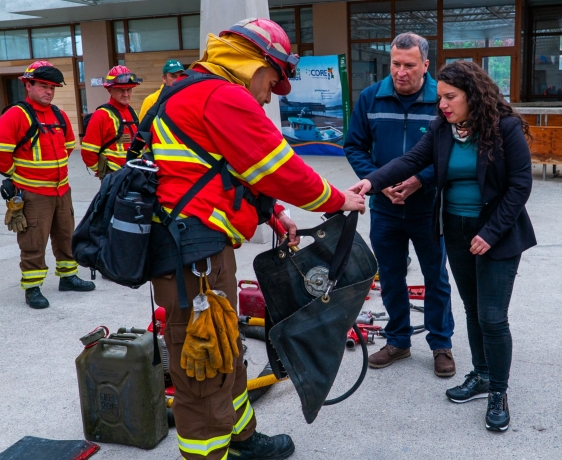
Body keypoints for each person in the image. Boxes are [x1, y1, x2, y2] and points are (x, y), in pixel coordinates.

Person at [148, 19, 365, 460]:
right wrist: (338, 199)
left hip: (197, 250)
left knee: (227, 348)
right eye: (273, 80)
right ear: (257, 64)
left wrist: (273, 212)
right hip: (192, 260)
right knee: (204, 365)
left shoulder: (180, 91)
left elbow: (224, 168)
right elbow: (278, 168)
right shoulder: (223, 95)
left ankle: (244, 439)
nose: (270, 94)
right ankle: (209, 453)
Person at [350, 60, 536, 432]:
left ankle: (498, 391)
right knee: (471, 308)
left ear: (474, 95)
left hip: (496, 233)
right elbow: (409, 161)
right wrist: (369, 183)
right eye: (440, 98)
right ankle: (481, 375)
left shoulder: (505, 128)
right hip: (455, 230)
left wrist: (492, 231)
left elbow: (520, 185)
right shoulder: (442, 129)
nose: (443, 105)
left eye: (451, 97)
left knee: (492, 316)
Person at [343, 32, 455, 377]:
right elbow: (354, 147)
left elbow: (453, 152)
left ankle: (441, 344)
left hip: (428, 207)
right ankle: (398, 341)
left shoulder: (443, 100)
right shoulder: (371, 98)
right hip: (386, 208)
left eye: (409, 65)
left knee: (435, 276)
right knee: (390, 275)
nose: (400, 71)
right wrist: (380, 181)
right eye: (395, 63)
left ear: (425, 65)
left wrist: (421, 179)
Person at [0, 61, 95, 309]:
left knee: (66, 236)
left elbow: (69, 145)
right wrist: (17, 176)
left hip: (61, 190)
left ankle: (68, 277)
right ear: (28, 85)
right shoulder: (16, 114)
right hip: (33, 194)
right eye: (43, 86)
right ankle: (32, 287)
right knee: (33, 242)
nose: (49, 91)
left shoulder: (58, 114)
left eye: (52, 88)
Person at [81, 65, 141, 178]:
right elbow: (88, 152)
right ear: (110, 90)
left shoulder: (132, 113)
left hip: (135, 173)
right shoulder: (101, 115)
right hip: (114, 176)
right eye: (121, 90)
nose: (126, 94)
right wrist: (103, 172)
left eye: (129, 90)